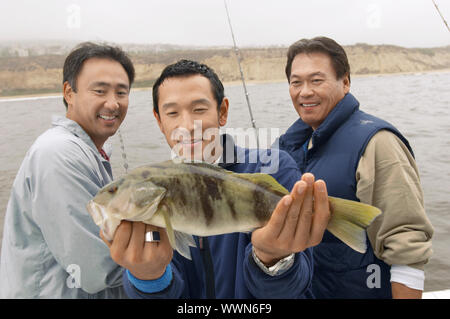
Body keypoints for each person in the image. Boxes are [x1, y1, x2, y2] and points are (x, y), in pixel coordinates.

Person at [101, 59, 331, 298]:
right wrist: (148, 277)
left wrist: (273, 259)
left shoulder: (274, 168)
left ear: (222, 112)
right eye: (172, 113)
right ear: (159, 121)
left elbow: (296, 287)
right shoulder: (150, 197)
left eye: (199, 109)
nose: (188, 126)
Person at [277, 36, 434, 299]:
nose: (304, 92)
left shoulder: (377, 143)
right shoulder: (286, 147)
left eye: (316, 80)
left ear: (345, 82)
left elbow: (406, 242)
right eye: (296, 82)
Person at [0, 42, 135, 298]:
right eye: (100, 91)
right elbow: (97, 270)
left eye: (121, 92)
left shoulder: (89, 153)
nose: (113, 103)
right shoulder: (58, 153)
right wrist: (161, 242)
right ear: (68, 93)